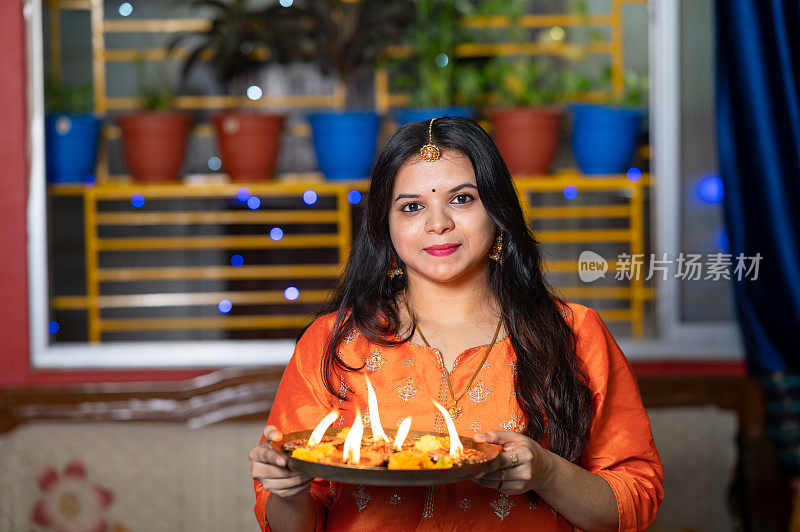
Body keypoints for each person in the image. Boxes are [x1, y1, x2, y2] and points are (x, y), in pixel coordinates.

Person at [248, 117, 663, 531]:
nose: (438, 223)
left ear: (498, 211)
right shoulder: (335, 343)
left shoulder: (574, 333)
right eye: (412, 207)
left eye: (462, 199)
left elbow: (633, 502)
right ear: (385, 227)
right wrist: (288, 491)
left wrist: (548, 474)